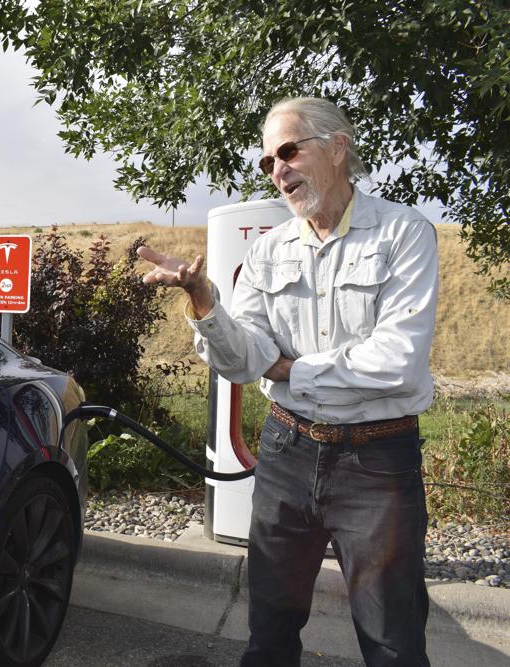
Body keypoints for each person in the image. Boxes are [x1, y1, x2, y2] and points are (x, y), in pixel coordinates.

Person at [138, 97, 437, 666]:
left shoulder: (403, 233)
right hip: (287, 451)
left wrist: (293, 369)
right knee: (269, 630)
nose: (278, 169)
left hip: (377, 462)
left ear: (338, 148)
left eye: (289, 151)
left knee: (391, 638)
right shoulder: (269, 250)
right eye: (268, 161)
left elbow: (397, 359)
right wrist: (205, 306)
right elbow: (246, 358)